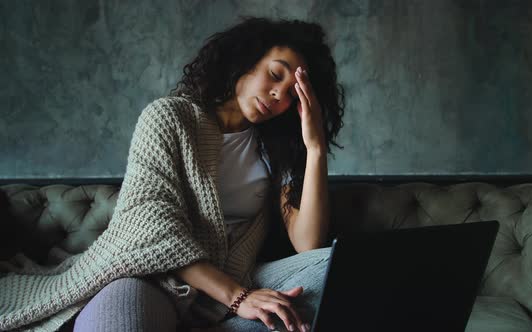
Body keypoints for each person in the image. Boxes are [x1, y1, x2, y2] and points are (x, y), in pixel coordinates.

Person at [72, 17, 345, 332]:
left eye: (292, 96)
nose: (277, 96)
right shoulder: (168, 118)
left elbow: (308, 244)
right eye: (274, 75)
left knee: (332, 269)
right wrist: (237, 297)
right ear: (246, 59)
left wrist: (315, 148)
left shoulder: (275, 151)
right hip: (151, 277)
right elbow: (152, 231)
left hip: (239, 277)